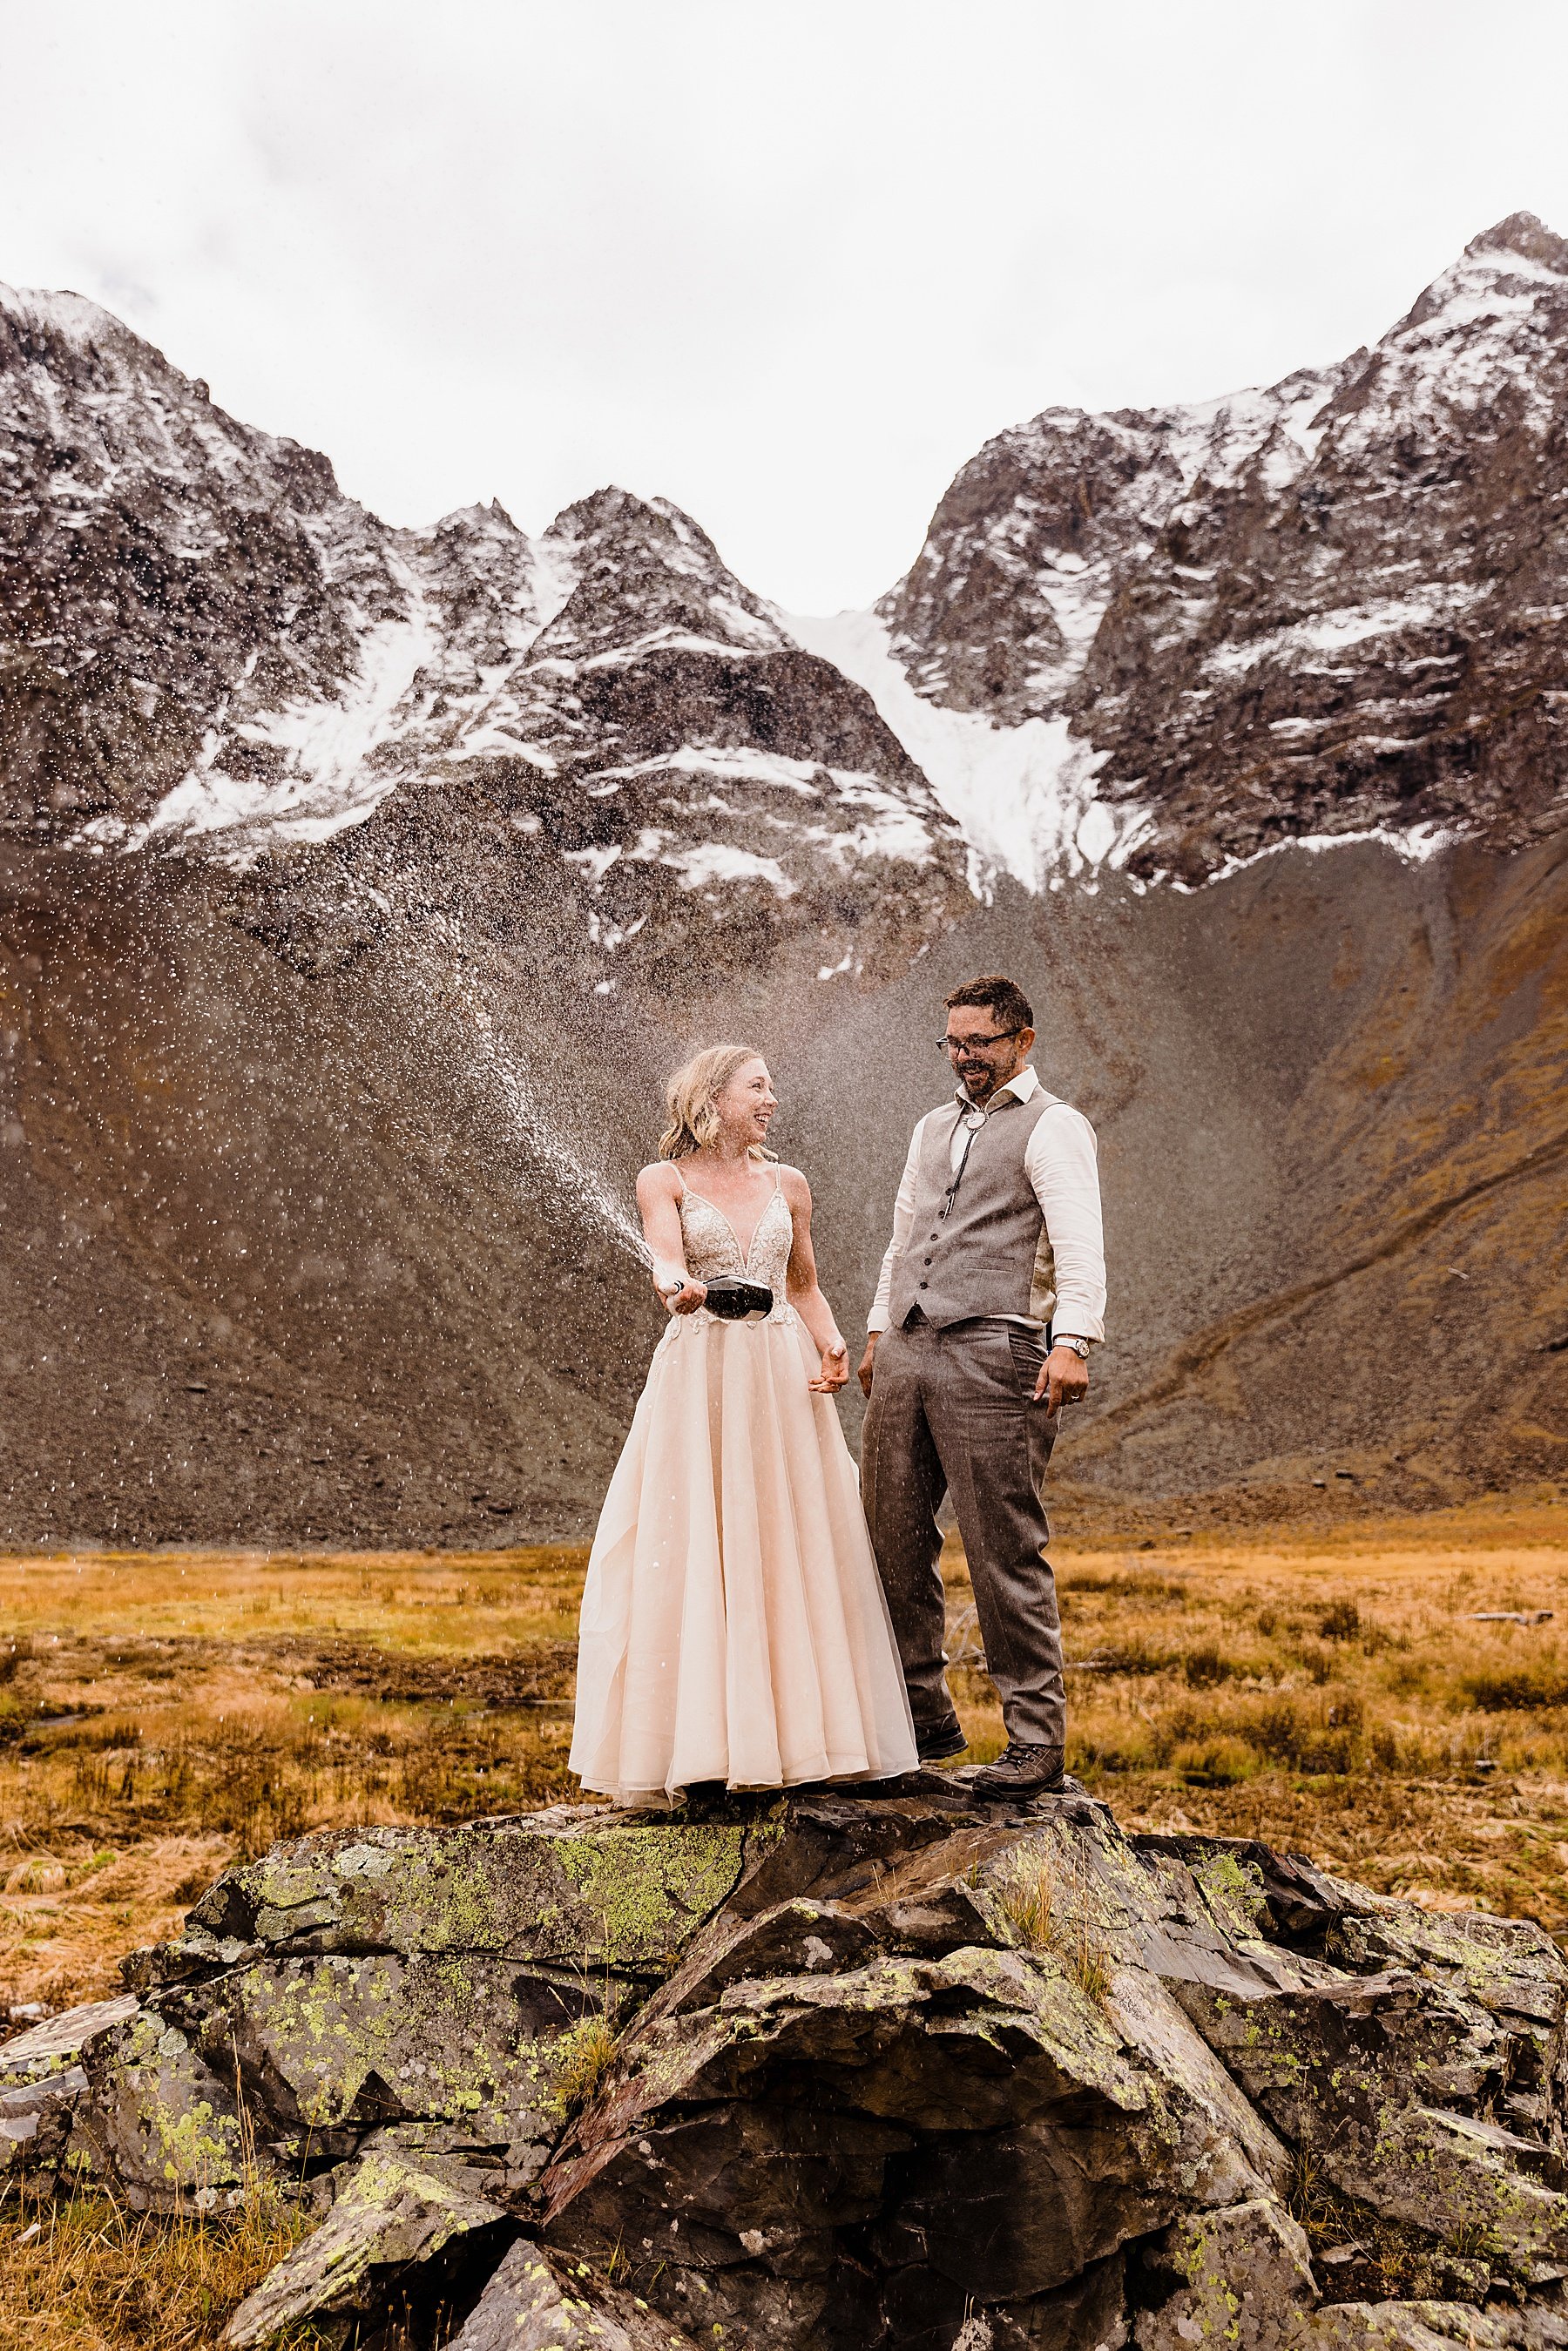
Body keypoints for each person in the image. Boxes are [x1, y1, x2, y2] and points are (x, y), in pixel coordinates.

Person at [570, 1044, 919, 1804]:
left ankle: (802, 1743)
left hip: (780, 1377)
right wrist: (678, 1286)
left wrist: (831, 1345)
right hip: (703, 1375)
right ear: (713, 1096)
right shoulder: (662, 1180)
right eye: (758, 1085)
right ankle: (702, 1751)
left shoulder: (789, 1185)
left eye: (771, 1085)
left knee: (784, 1544)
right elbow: (664, 1260)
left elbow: (806, 1288)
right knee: (700, 1541)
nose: (772, 1098)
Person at [858, 975, 1106, 1798]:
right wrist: (874, 1329)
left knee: (1004, 1550)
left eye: (980, 1043)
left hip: (998, 1350)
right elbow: (903, 1239)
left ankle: (1035, 1742)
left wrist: (1071, 1341)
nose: (964, 1058)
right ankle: (919, 1722)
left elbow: (1079, 1244)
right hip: (906, 1347)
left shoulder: (1054, 1125)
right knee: (889, 1538)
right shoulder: (931, 1126)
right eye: (954, 1043)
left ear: (1022, 1041)